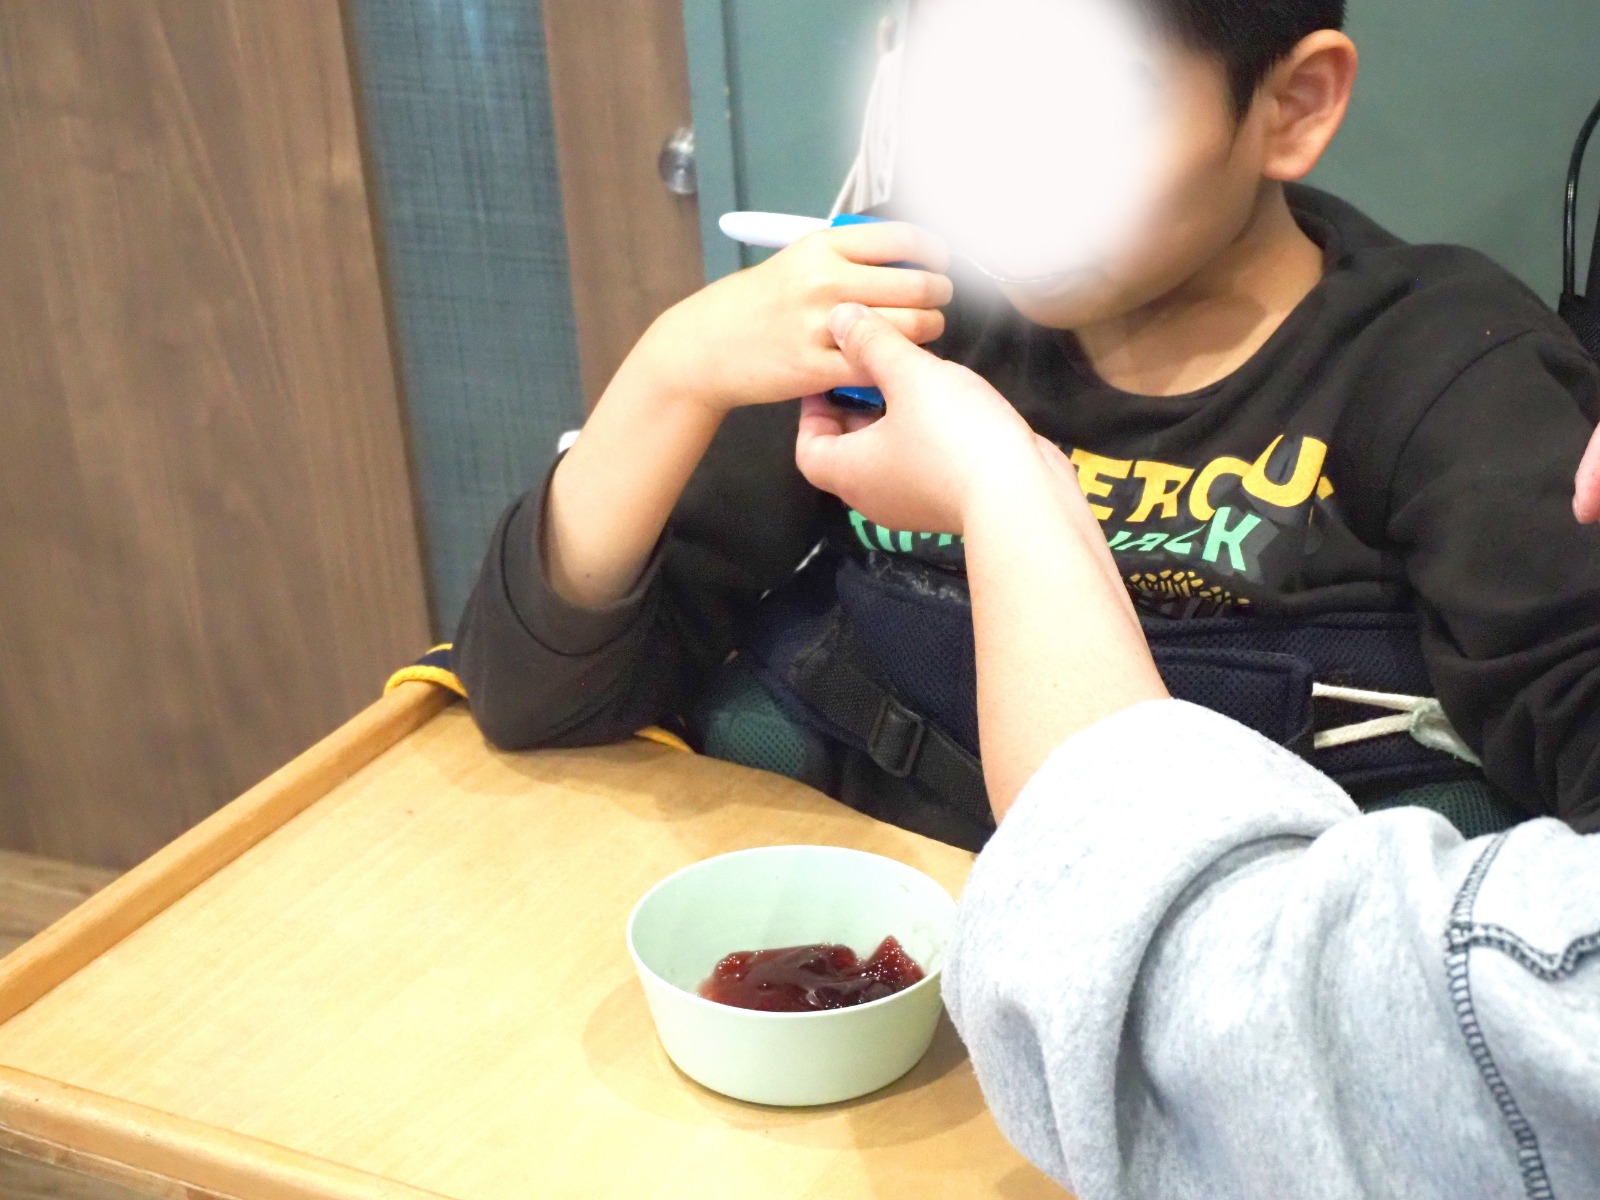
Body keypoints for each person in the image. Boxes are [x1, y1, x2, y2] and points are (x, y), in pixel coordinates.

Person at [455, 0, 1600, 847]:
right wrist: (671, 370)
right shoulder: (903, 298)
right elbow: (539, 693)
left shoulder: (1448, 374)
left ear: (1290, 106)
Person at [798, 301, 1600, 1200]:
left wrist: (1005, 489)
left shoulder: (1456, 369)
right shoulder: (928, 319)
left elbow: (1200, 1022)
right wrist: (684, 372)